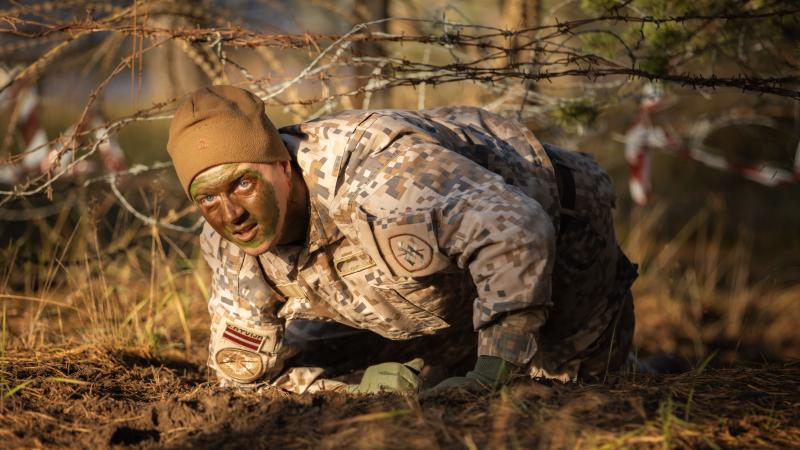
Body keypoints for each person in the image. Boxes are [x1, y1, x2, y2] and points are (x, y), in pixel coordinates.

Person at [166, 85, 638, 394]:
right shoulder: (229, 243)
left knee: (566, 391)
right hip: (420, 286)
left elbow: (517, 231)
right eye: (206, 198)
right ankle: (456, 350)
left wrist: (492, 375)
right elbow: (242, 376)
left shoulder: (382, 182)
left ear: (283, 166)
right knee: (320, 356)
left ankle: (643, 364)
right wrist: (353, 388)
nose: (229, 214)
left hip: (560, 224)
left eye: (242, 184)